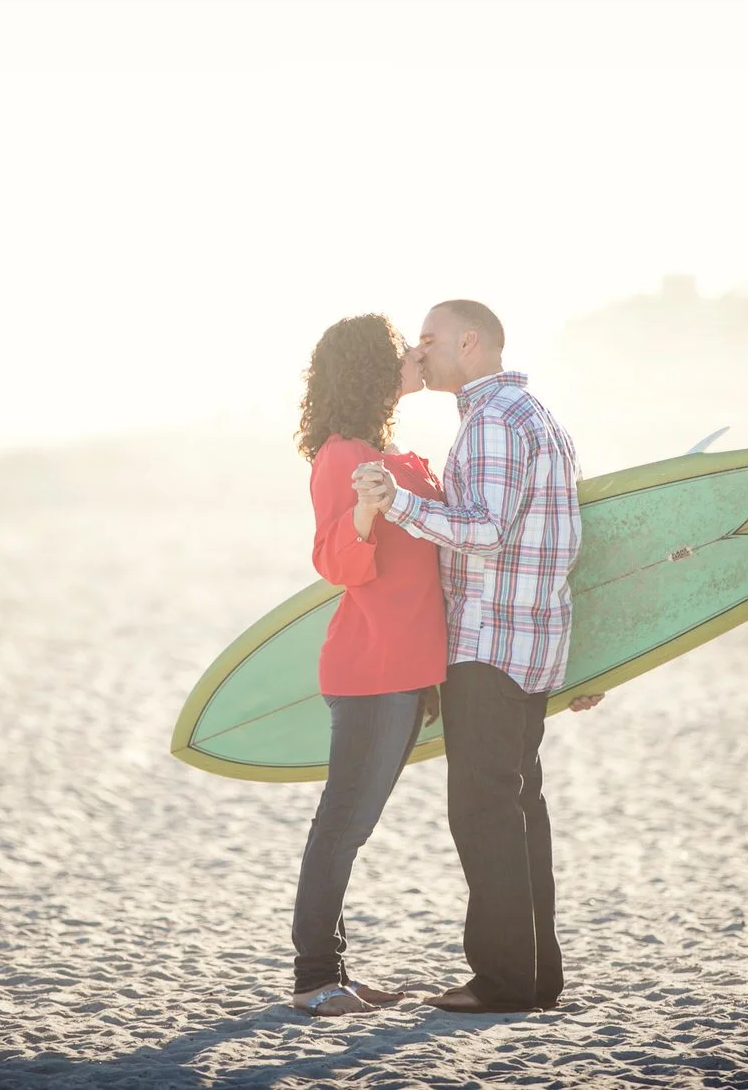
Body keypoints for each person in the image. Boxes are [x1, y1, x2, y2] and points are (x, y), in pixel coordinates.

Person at [352, 299, 600, 1014]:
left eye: (429, 339)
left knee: (484, 812)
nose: (420, 352)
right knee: (521, 809)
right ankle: (534, 976)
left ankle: (500, 980)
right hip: (532, 644)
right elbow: (565, 545)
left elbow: (486, 533)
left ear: (470, 342)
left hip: (489, 643)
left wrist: (397, 504)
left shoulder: (492, 421)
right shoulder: (537, 416)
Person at [288, 313, 449, 1017]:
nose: (413, 356)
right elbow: (335, 560)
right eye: (399, 352)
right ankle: (316, 977)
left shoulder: (396, 452)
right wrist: (362, 511)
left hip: (414, 667)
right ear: (369, 370)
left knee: (352, 822)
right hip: (373, 668)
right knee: (343, 822)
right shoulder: (341, 454)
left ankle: (336, 974)